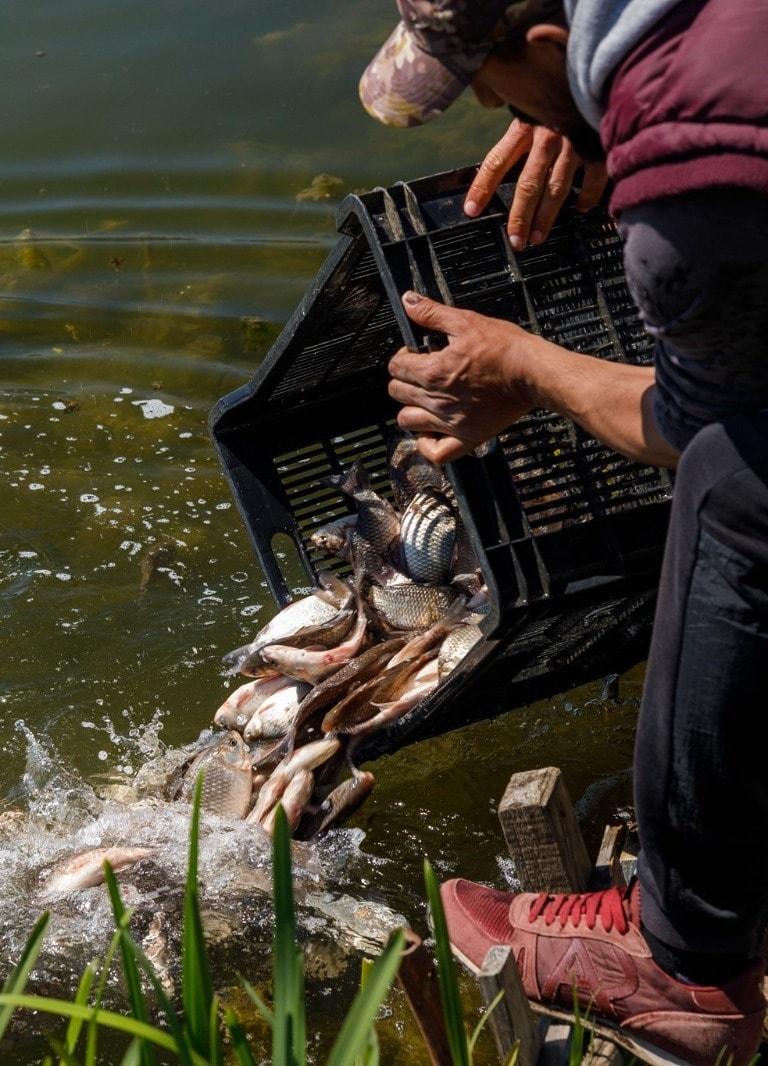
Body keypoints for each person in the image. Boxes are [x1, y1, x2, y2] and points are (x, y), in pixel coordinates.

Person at [358, 0, 768, 1060]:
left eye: (489, 81)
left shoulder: (695, 168)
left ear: (548, 42)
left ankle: (685, 961)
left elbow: (696, 426)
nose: (488, 108)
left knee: (739, 477)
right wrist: (587, 106)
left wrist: (523, 366)